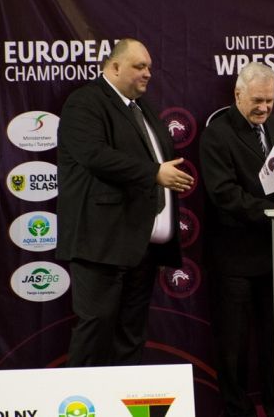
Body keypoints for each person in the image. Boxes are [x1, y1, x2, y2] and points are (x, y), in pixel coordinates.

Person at [56, 38, 194, 366]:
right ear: (115, 67)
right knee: (96, 328)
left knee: (131, 334)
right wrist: (154, 173)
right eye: (139, 66)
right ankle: (80, 397)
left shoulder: (142, 108)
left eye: (149, 67)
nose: (148, 73)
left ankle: (122, 396)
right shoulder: (85, 102)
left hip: (139, 244)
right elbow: (94, 155)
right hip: (100, 242)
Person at [200, 62, 274, 417]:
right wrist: (271, 211)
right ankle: (238, 411)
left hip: (272, 255)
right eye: (257, 100)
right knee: (233, 347)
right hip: (232, 259)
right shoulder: (217, 134)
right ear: (238, 94)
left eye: (270, 100)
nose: (264, 108)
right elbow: (224, 194)